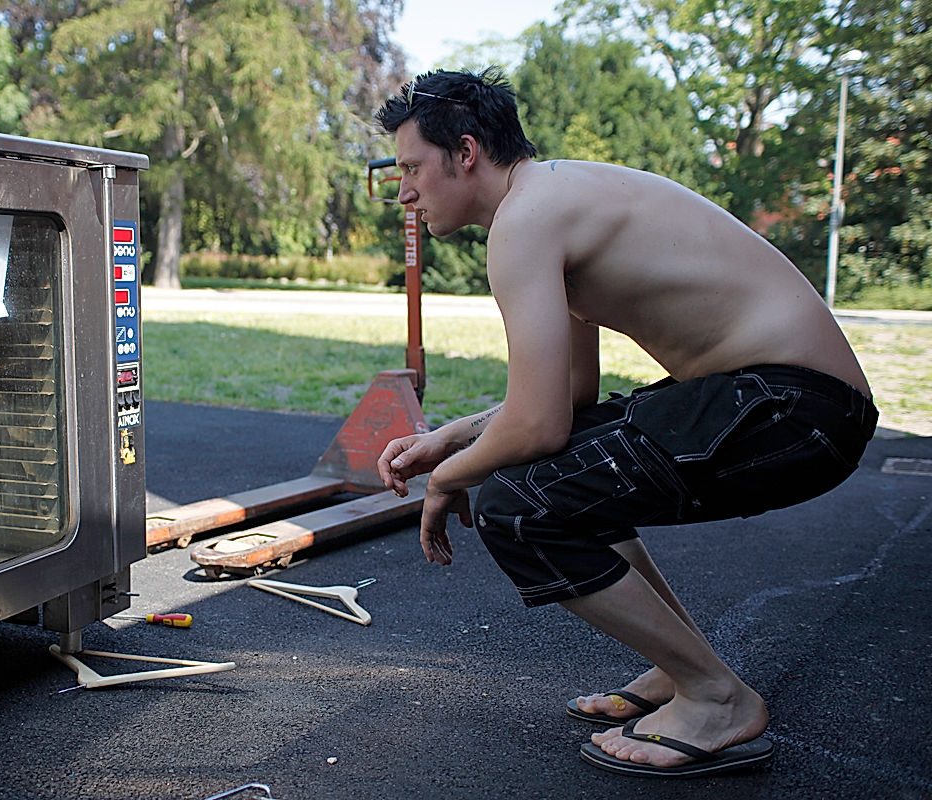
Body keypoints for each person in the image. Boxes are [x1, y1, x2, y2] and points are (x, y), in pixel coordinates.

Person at [374, 67, 877, 777]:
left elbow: (541, 425)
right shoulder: (552, 197)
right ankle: (680, 670)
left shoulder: (525, 222)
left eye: (411, 168)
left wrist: (448, 478)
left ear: (464, 152)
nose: (404, 192)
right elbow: (572, 398)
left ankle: (716, 697)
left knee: (520, 505)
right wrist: (455, 436)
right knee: (558, 471)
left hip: (796, 411)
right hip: (789, 402)